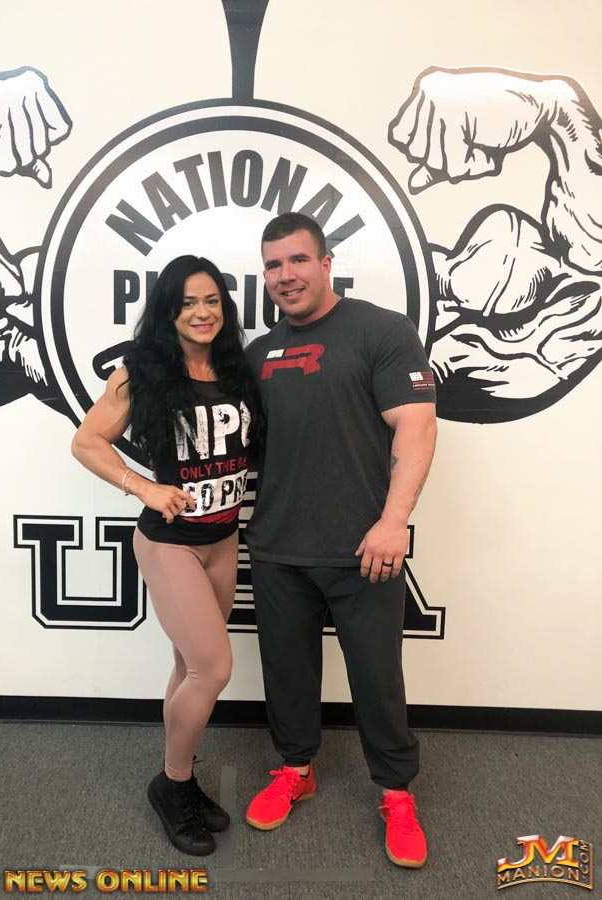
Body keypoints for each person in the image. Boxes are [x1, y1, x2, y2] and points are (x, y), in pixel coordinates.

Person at [244, 212, 437, 868]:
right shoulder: (257, 354)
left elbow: (416, 426)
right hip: (277, 545)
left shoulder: (380, 331)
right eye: (273, 265)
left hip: (365, 547)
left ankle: (396, 792)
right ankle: (295, 769)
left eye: (298, 260)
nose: (285, 275)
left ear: (326, 264)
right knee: (287, 674)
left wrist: (393, 521)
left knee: (377, 679)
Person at [71, 255, 262, 856]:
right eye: (187, 303)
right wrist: (144, 487)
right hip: (170, 542)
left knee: (189, 667)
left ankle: (179, 774)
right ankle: (172, 785)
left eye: (211, 300)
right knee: (214, 669)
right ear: (167, 312)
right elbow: (86, 442)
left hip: (223, 539)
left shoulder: (236, 368)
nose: (202, 313)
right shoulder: (141, 371)